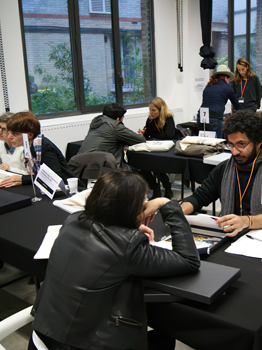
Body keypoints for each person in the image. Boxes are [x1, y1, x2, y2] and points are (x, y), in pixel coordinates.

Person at [30, 170, 200, 350]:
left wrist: (126, 229)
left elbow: (106, 238)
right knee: (166, 338)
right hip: (84, 344)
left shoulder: (72, 220)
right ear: (130, 210)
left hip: (43, 334)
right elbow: (189, 260)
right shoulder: (128, 245)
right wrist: (165, 203)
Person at [181, 110, 262, 237]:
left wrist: (245, 221)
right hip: (230, 236)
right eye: (231, 145)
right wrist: (179, 210)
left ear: (258, 143)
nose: (235, 152)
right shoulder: (224, 168)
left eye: (241, 145)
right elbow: (200, 196)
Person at [0, 111, 76, 188]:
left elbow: (54, 178)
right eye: (9, 132)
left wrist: (23, 179)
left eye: (15, 134)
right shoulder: (28, 146)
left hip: (67, 189)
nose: (9, 137)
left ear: (29, 135)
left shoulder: (43, 145)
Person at [78, 103, 145, 165]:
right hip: (102, 167)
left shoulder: (96, 123)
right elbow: (140, 139)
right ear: (118, 119)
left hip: (81, 165)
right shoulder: (115, 126)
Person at [138, 97, 175, 198]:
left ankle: (167, 188)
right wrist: (143, 133)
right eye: (150, 110)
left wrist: (152, 136)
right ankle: (155, 187)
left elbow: (168, 136)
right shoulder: (150, 120)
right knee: (142, 166)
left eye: (153, 110)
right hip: (154, 147)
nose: (151, 112)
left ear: (161, 110)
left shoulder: (168, 118)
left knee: (157, 166)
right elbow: (147, 137)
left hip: (167, 149)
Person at [197, 64, 240, 138]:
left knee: (204, 141)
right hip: (215, 119)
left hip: (201, 117)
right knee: (216, 143)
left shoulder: (208, 86)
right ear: (226, 77)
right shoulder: (227, 87)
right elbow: (236, 105)